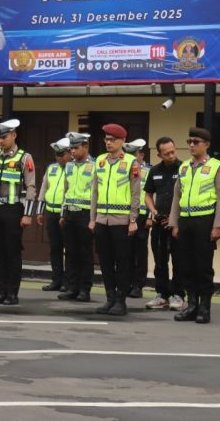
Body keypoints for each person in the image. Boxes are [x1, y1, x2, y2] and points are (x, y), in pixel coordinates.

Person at [169, 126, 220, 325]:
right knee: (186, 265)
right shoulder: (184, 167)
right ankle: (192, 305)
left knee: (203, 266)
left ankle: (204, 308)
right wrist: (175, 223)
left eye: (196, 142)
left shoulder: (217, 166)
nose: (192, 146)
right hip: (186, 220)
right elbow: (177, 196)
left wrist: (219, 226)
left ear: (207, 145)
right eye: (189, 142)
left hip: (205, 220)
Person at [0, 119, 36, 305]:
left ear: (14, 135)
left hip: (13, 210)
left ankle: (12, 293)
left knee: (12, 252)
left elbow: (31, 187)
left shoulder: (24, 157)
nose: (1, 141)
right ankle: (1, 291)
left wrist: (28, 214)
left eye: (4, 137)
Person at [90, 123, 141, 317]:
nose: (108, 143)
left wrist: (133, 219)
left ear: (122, 141)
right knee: (105, 261)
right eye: (107, 139)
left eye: (113, 140)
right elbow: (95, 191)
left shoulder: (131, 162)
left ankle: (121, 300)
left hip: (121, 220)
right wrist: (92, 218)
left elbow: (136, 193)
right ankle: (109, 298)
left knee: (123, 261)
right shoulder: (100, 161)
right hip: (103, 219)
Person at [144, 137, 185, 311]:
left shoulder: (184, 168)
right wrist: (153, 212)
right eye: (166, 153)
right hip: (159, 222)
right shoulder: (154, 171)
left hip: (177, 223)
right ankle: (162, 295)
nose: (171, 155)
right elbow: (147, 195)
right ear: (159, 154)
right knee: (160, 260)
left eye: (173, 151)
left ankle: (178, 295)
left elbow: (187, 196)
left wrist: (175, 218)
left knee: (179, 260)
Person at [59, 132, 94, 302]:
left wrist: (94, 218)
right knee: (71, 253)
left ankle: (84, 289)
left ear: (85, 146)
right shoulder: (69, 166)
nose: (72, 151)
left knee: (85, 254)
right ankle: (72, 287)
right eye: (71, 148)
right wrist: (62, 213)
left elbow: (97, 193)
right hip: (70, 214)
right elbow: (66, 190)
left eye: (76, 147)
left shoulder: (95, 165)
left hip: (85, 214)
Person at [38, 137, 71, 292]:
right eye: (56, 154)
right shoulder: (51, 168)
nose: (58, 157)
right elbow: (44, 188)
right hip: (51, 212)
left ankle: (68, 281)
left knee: (69, 249)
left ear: (70, 153)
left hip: (66, 214)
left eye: (61, 154)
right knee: (55, 248)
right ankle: (56, 279)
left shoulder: (73, 168)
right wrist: (40, 210)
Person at [125, 139, 150, 299]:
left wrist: (149, 216)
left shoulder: (149, 171)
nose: (131, 158)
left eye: (134, 154)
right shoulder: (126, 169)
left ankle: (138, 285)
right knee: (126, 251)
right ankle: (126, 282)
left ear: (141, 154)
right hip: (126, 214)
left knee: (140, 251)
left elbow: (151, 195)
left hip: (142, 216)